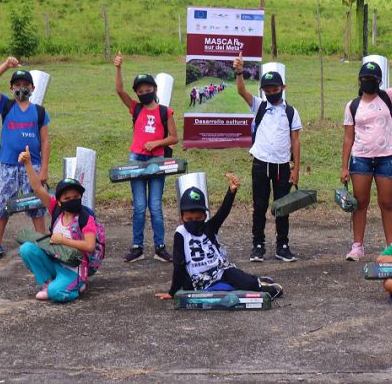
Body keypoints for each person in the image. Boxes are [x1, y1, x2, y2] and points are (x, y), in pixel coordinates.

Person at [154, 173, 283, 301]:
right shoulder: (180, 234)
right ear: (182, 218)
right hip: (198, 280)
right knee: (225, 290)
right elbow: (178, 264)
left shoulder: (209, 227)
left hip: (219, 271)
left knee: (244, 281)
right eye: (189, 219)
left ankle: (260, 284)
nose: (194, 222)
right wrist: (173, 292)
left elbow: (223, 212)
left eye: (198, 218)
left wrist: (231, 192)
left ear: (204, 216)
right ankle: (254, 282)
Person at [340, 59, 392, 261]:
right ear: (359, 81)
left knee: (386, 203)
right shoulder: (352, 106)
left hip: (386, 158)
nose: (370, 82)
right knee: (360, 203)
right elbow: (348, 138)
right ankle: (357, 246)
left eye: (374, 79)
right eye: (366, 78)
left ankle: (391, 247)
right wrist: (344, 167)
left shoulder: (388, 96)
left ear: (380, 80)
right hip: (361, 159)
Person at [234, 54, 303, 263]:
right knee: (260, 205)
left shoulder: (291, 112)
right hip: (261, 163)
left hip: (283, 165)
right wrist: (239, 72)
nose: (272, 93)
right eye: (268, 91)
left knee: (282, 206)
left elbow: (296, 141)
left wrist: (296, 168)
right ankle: (258, 245)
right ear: (263, 91)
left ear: (283, 87)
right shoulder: (259, 106)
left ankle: (282, 245)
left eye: (275, 90)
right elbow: (241, 91)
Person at [113, 51, 178, 263]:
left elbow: (174, 138)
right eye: (140, 91)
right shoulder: (135, 108)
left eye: (148, 90)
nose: (144, 93)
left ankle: (160, 246)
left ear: (155, 90)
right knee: (139, 206)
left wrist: (157, 142)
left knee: (156, 206)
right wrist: (118, 68)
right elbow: (119, 90)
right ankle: (137, 246)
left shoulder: (164, 112)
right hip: (136, 159)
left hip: (157, 162)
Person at [0, 57, 50, 259]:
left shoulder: (39, 112)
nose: (22, 89)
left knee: (37, 206)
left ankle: (41, 243)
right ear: (11, 88)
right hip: (9, 166)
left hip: (33, 166)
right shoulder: (6, 105)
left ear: (33, 87)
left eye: (26, 85)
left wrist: (44, 170)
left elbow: (46, 141)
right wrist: (5, 65)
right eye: (18, 85)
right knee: (3, 204)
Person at [17, 152, 99, 302]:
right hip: (55, 261)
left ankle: (76, 288)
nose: (72, 200)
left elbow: (90, 246)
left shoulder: (85, 218)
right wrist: (28, 163)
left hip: (75, 269)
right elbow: (37, 188)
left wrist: (62, 240)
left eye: (76, 197)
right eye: (67, 198)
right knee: (26, 249)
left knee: (56, 294)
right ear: (59, 201)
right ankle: (48, 284)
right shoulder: (56, 209)